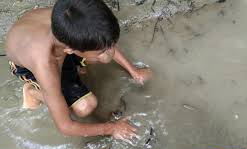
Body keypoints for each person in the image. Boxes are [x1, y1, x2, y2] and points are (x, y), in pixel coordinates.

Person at [5, 0, 152, 140]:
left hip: (47, 40)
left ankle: (80, 66)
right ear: (71, 50)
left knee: (99, 58)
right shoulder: (46, 66)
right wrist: (111, 128)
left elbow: (103, 39)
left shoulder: (71, 21)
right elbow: (65, 127)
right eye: (102, 50)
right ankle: (32, 92)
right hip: (29, 64)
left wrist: (133, 71)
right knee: (85, 107)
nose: (110, 51)